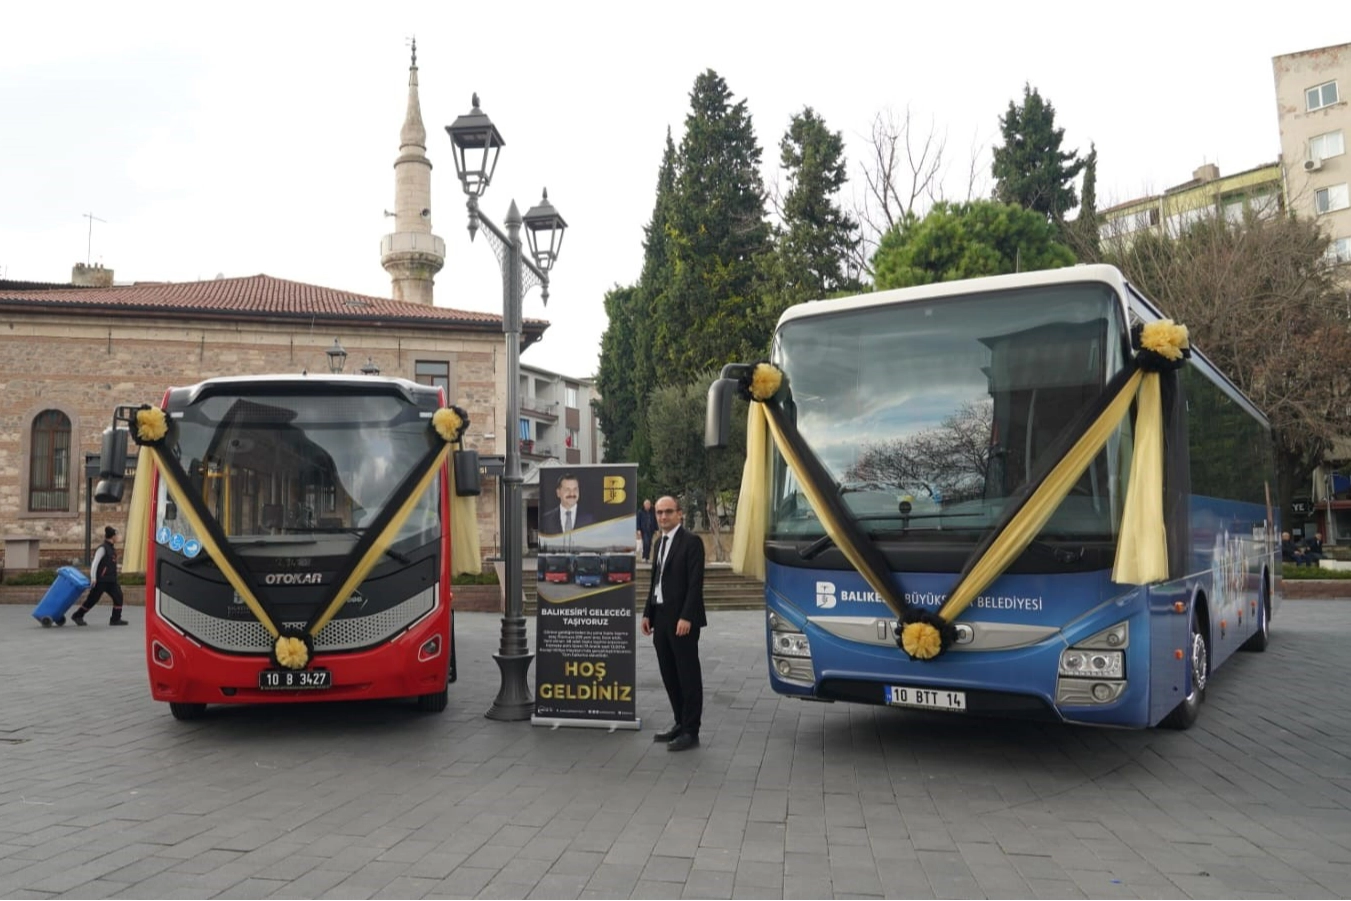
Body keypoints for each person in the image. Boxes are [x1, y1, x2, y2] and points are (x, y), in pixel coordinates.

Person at [641, 496, 706, 752]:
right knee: (669, 674)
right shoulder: (659, 543)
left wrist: (687, 617)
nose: (663, 517)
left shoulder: (691, 542)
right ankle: (679, 722)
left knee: (688, 675)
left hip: (683, 619)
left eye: (668, 512)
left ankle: (691, 730)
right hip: (661, 616)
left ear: (679, 514)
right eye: (659, 512)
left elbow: (695, 584)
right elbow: (655, 580)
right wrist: (647, 613)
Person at [72, 526, 129, 626]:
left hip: (111, 580)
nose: (118, 537)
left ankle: (115, 619)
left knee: (118, 596)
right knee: (92, 600)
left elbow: (110, 563)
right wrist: (93, 578)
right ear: (112, 536)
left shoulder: (111, 549)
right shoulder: (103, 548)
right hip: (101, 580)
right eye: (117, 535)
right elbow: (95, 564)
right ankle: (77, 615)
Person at [636, 498, 658, 562]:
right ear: (644, 505)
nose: (648, 506)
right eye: (647, 504)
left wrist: (656, 529)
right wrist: (638, 529)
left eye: (649, 504)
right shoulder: (640, 512)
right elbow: (638, 521)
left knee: (649, 544)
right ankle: (644, 557)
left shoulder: (652, 512)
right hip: (644, 530)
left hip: (651, 530)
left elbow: (655, 520)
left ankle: (647, 557)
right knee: (646, 543)